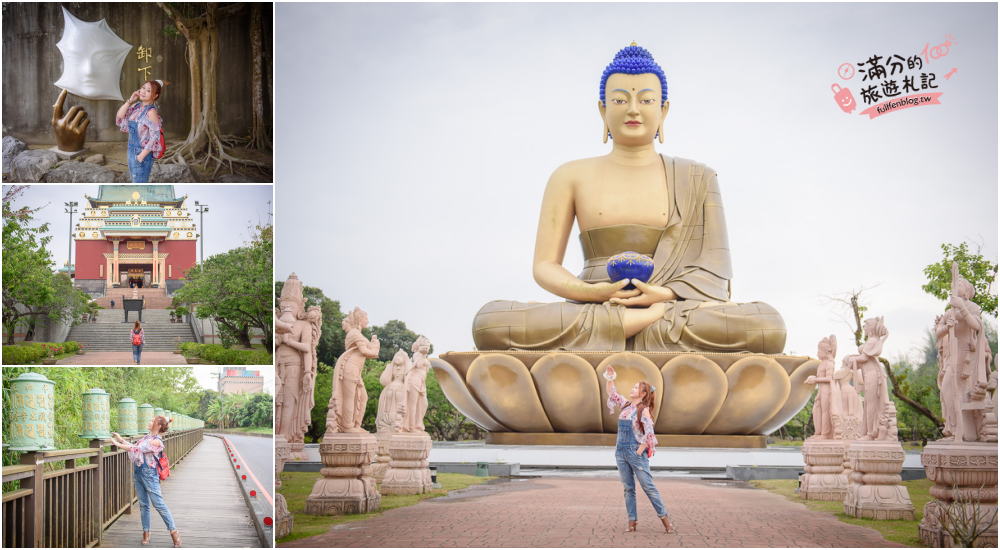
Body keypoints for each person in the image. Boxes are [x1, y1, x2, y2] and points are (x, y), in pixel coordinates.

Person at [471, 43, 785, 353]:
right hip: (592, 305)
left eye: (646, 100)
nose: (633, 110)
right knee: (491, 322)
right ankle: (631, 325)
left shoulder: (698, 178)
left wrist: (662, 296)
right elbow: (544, 265)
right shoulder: (569, 175)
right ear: (603, 110)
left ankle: (630, 326)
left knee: (766, 325)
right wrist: (596, 294)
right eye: (620, 100)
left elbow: (714, 275)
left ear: (663, 110)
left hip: (673, 309)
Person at [604, 365, 675, 534]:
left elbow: (649, 435)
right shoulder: (626, 405)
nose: (632, 388)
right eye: (633, 386)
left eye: (636, 387)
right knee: (628, 488)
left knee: (648, 487)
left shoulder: (643, 411)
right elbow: (611, 393)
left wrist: (637, 452)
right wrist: (610, 377)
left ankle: (666, 521)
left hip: (635, 453)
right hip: (620, 453)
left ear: (643, 394)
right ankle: (632, 522)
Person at [110, 416, 182, 547]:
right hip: (138, 472)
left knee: (159, 504)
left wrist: (117, 444)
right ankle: (146, 533)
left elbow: (137, 450)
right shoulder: (146, 438)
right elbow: (134, 445)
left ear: (158, 426)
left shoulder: (157, 442)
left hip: (149, 475)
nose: (149, 422)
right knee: (143, 504)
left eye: (152, 421)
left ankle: (174, 533)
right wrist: (120, 439)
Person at [115, 79, 169, 183]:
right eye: (143, 88)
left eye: (148, 90)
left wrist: (140, 157)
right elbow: (120, 115)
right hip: (131, 151)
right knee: (134, 183)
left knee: (139, 187)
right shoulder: (137, 106)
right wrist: (130, 100)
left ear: (155, 96)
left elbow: (154, 139)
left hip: (142, 155)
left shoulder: (151, 112)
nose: (143, 91)